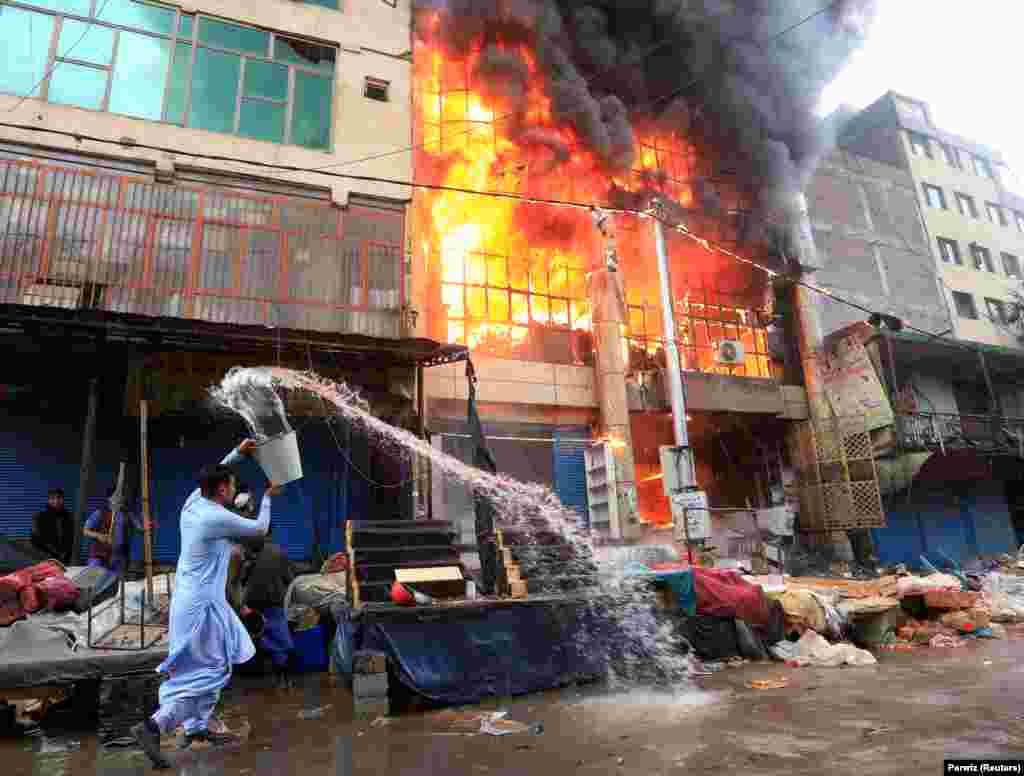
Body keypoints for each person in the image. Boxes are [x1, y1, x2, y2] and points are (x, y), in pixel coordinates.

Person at [132, 440, 278, 768]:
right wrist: (267, 499)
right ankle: (154, 726)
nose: (235, 487)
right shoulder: (214, 517)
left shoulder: (194, 501)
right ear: (223, 490)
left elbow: (215, 473)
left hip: (196, 599)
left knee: (209, 663)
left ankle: (198, 728)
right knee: (211, 671)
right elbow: (258, 529)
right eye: (233, 485)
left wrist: (238, 454)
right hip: (201, 606)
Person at [239, 522, 295, 686]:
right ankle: (283, 678)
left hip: (251, 604)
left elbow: (241, 579)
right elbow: (289, 578)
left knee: (256, 636)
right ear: (270, 533)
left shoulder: (247, 552)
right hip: (274, 602)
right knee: (279, 637)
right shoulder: (279, 552)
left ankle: (258, 675)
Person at [82, 487, 141, 574]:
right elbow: (85, 531)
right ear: (109, 499)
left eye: (121, 496)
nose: (120, 499)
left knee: (113, 583)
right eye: (117, 496)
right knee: (94, 579)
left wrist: (146, 526)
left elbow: (140, 528)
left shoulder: (127, 514)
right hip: (99, 555)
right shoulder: (100, 513)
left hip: (118, 557)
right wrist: (99, 535)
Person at [31, 488, 73, 564]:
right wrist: (52, 555)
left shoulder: (69, 517)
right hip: (46, 559)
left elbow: (73, 539)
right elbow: (36, 540)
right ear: (48, 500)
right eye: (53, 498)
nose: (56, 501)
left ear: (63, 499)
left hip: (66, 560)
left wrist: (66, 555)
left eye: (59, 498)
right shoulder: (40, 517)